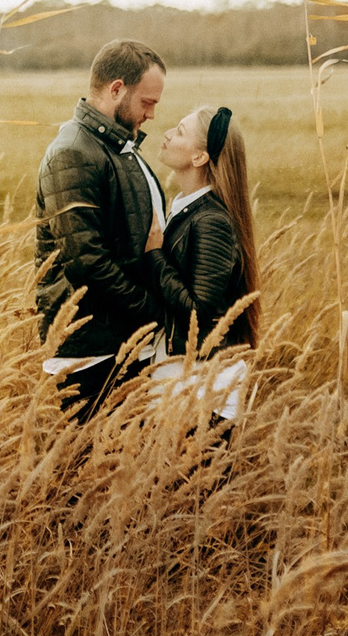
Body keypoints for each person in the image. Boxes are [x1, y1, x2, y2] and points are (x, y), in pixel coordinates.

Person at [34, 39, 170, 418]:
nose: (153, 115)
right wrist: (153, 309)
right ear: (116, 90)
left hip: (123, 342)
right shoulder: (73, 153)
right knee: (92, 467)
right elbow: (86, 261)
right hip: (90, 351)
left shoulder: (117, 148)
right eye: (148, 102)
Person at [146, 104, 260, 423]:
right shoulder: (186, 209)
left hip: (204, 390)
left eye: (180, 131)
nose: (167, 134)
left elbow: (199, 312)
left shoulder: (211, 221)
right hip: (182, 382)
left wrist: (154, 255)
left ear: (199, 158)